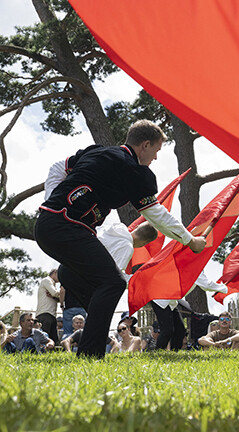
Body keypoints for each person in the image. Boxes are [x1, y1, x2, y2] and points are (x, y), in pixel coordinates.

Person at [36, 120, 207, 358]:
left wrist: (51, 203)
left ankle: (93, 331)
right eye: (156, 151)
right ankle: (90, 355)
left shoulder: (96, 151)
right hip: (66, 227)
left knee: (96, 288)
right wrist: (191, 241)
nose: (155, 158)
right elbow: (156, 214)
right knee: (113, 283)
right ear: (145, 145)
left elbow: (58, 167)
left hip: (47, 225)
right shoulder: (134, 171)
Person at [35, 269, 60, 346]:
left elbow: (56, 297)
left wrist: (55, 296)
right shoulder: (47, 280)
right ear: (55, 273)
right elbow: (55, 293)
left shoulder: (52, 284)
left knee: (53, 339)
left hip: (51, 314)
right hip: (45, 313)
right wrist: (63, 291)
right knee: (44, 338)